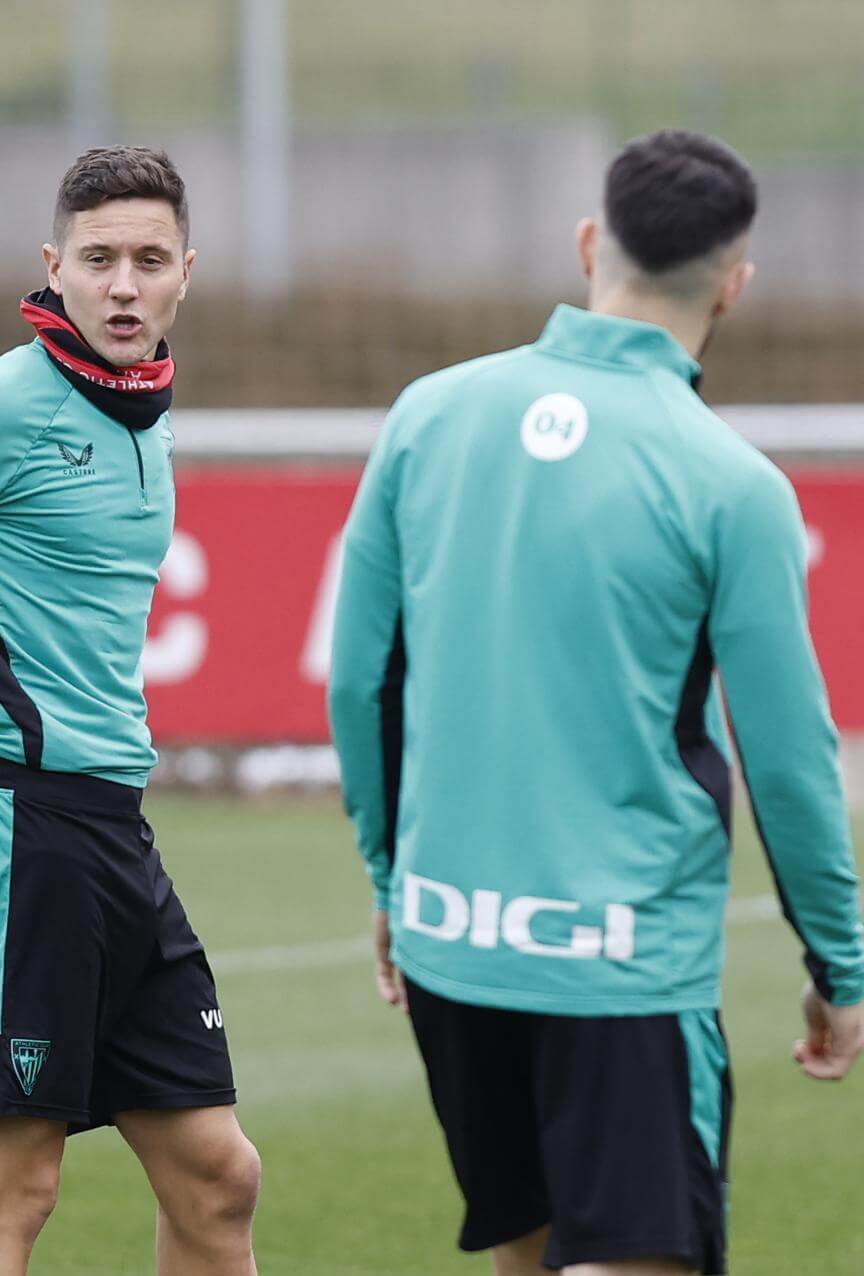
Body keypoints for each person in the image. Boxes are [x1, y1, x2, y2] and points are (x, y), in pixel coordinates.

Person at [327, 129, 864, 1276]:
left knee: (525, 1251)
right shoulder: (735, 486)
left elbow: (362, 678)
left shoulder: (428, 415)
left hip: (451, 943)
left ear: (588, 245)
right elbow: (790, 761)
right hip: (620, 965)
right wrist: (841, 968)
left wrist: (390, 878)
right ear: (735, 281)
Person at [0, 146, 261, 1276]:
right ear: (53, 269)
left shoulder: (146, 414)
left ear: (186, 275)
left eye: (149, 260)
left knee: (218, 1173)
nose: (124, 284)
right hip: (15, 829)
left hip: (114, 828)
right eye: (100, 259)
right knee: (10, 1188)